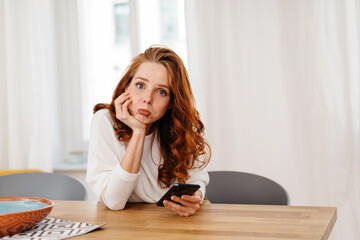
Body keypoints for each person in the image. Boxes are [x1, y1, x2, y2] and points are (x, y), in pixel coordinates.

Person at [86, 46, 211, 217]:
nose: (147, 99)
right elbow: (114, 201)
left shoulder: (178, 127)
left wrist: (195, 197)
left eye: (161, 91)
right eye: (140, 85)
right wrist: (138, 132)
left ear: (171, 102)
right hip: (121, 224)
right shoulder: (104, 121)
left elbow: (197, 180)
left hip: (169, 221)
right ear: (126, 87)